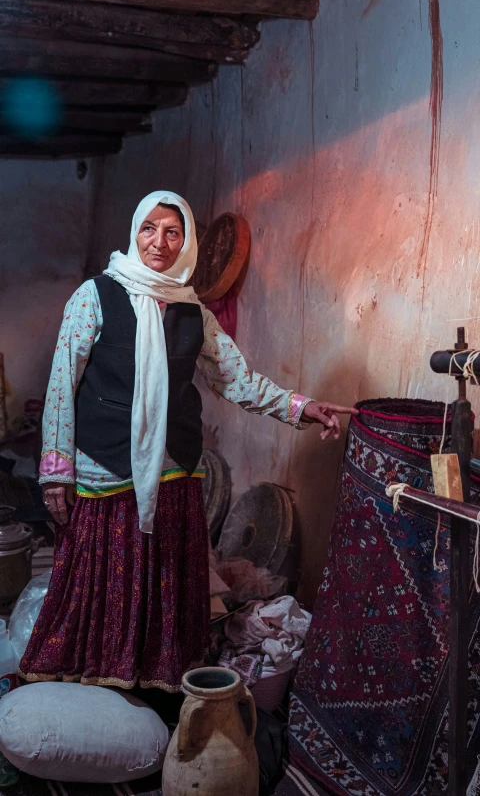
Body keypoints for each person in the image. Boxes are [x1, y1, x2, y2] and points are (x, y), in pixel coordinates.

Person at [19, 191, 358, 693]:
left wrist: (301, 407)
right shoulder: (94, 296)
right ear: (135, 233)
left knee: (165, 586)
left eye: (172, 232)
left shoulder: (193, 312)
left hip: (174, 469)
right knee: (102, 585)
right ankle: (91, 684)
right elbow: (62, 385)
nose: (160, 242)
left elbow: (237, 380)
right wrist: (55, 472)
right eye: (149, 229)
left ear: (187, 243)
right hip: (104, 469)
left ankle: (156, 686)